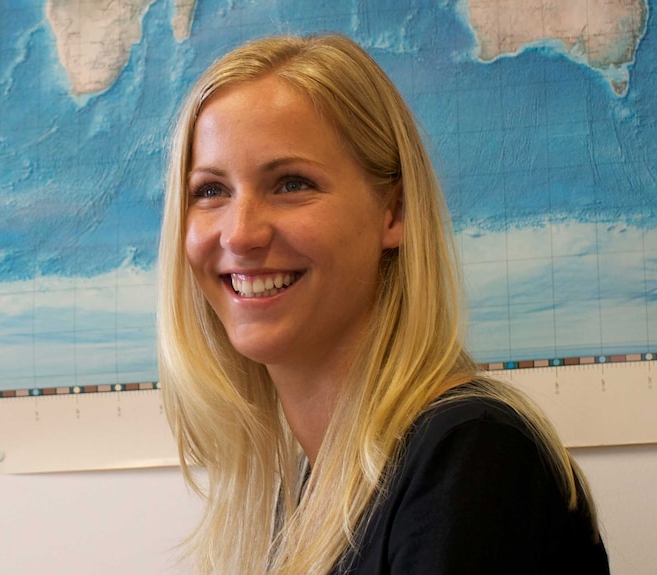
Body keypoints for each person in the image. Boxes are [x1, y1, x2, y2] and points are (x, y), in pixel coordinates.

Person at [157, 33, 609, 574]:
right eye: (210, 191)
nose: (241, 234)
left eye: (291, 184)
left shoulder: (471, 458)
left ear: (392, 213)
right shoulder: (313, 485)